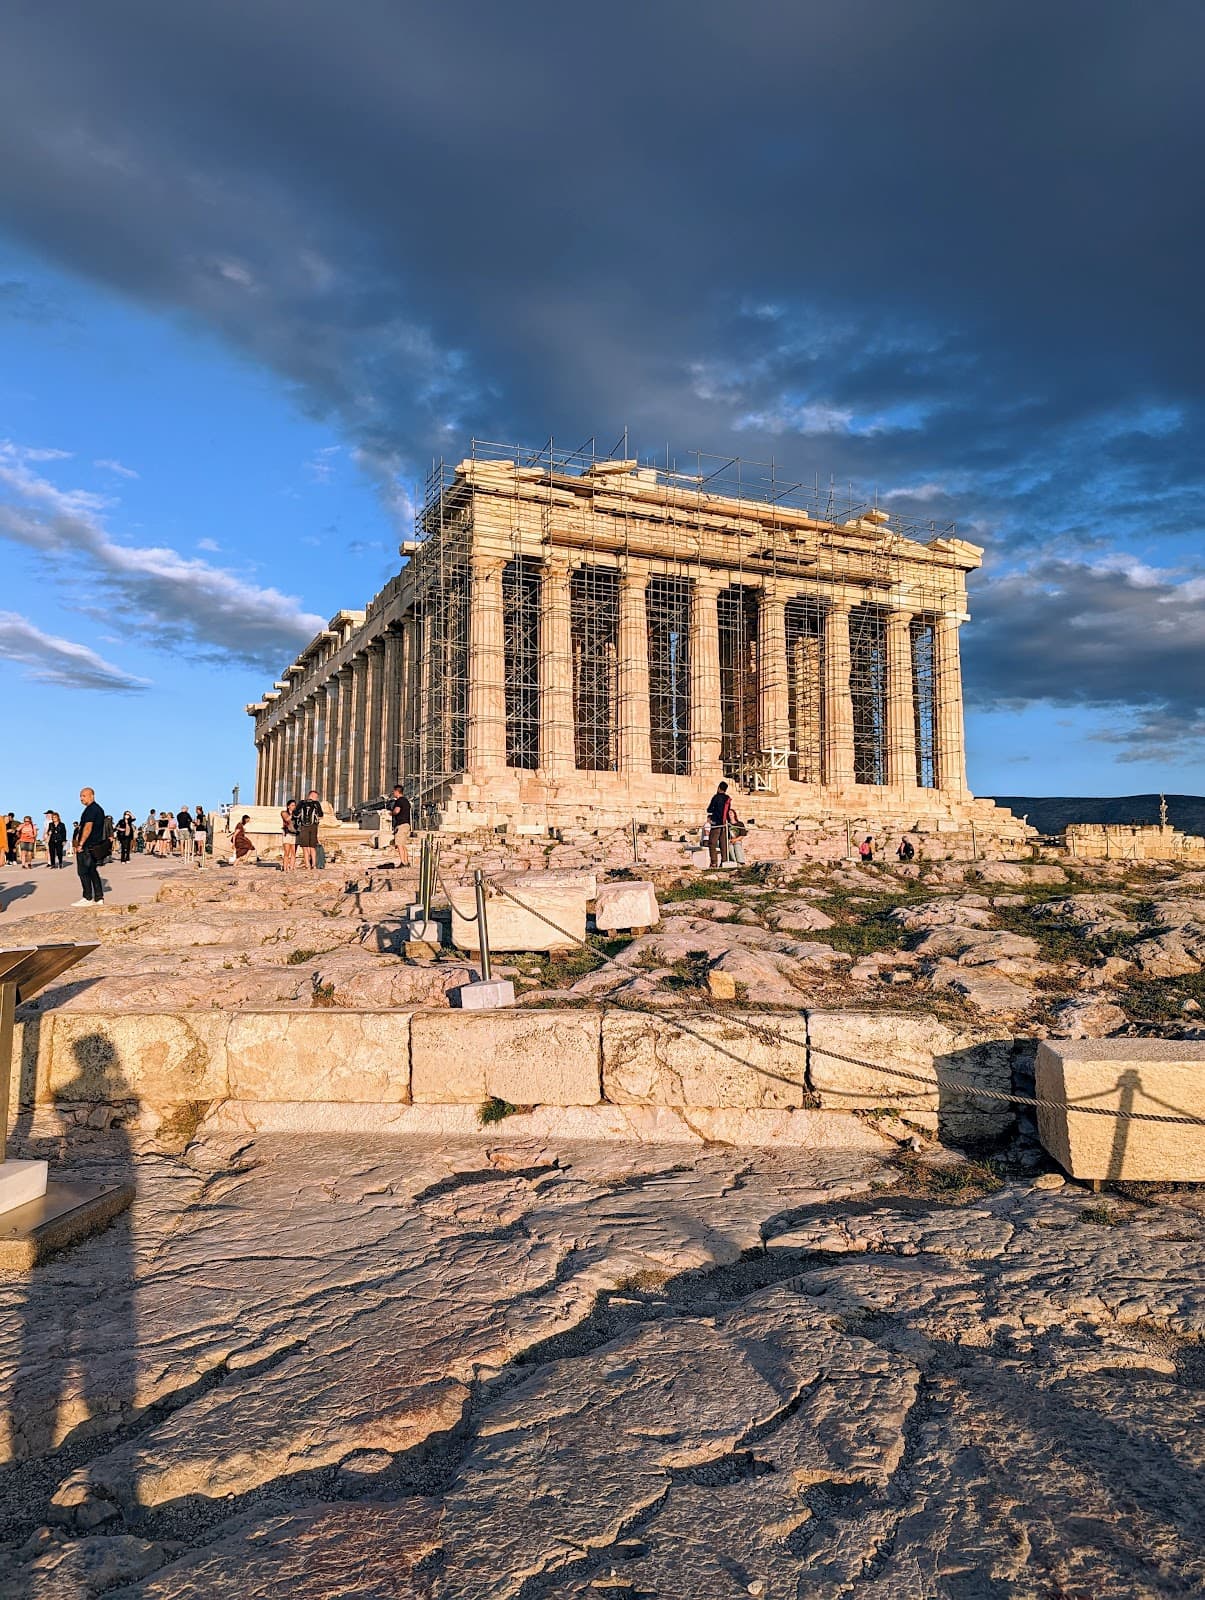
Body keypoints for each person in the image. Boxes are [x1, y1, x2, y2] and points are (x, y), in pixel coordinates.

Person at [71, 787, 107, 907]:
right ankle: (98, 897)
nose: (81, 798)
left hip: (88, 845)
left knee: (83, 871)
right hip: (94, 844)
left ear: (92, 795)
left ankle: (88, 897)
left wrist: (80, 844)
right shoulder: (96, 809)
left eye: (84, 796)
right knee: (92, 870)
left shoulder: (92, 810)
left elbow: (88, 827)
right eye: (80, 796)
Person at [705, 781, 740, 869]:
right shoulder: (728, 798)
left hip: (716, 823)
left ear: (719, 788)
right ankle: (724, 861)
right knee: (723, 844)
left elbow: (709, 809)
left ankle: (714, 862)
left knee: (712, 843)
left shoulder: (716, 797)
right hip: (725, 824)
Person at [293, 789, 323, 870]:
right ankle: (314, 864)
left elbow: (295, 813)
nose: (316, 798)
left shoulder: (301, 803)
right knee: (312, 846)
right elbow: (321, 814)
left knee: (305, 847)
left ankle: (307, 865)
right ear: (313, 796)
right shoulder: (316, 803)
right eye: (316, 797)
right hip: (313, 826)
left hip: (303, 826)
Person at [387, 784, 412, 866]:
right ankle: (406, 861)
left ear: (397, 792)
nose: (393, 793)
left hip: (401, 824)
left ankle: (403, 862)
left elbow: (397, 811)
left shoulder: (399, 801)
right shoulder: (406, 801)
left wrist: (391, 813)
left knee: (399, 844)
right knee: (403, 844)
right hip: (407, 824)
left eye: (394, 791)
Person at [281, 799, 298, 871]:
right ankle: (285, 867)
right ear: (288, 806)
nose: (294, 807)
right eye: (292, 805)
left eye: (295, 805)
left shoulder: (296, 814)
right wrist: (293, 814)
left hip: (295, 834)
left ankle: (292, 867)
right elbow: (287, 819)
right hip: (287, 833)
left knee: (293, 852)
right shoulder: (284, 812)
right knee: (287, 851)